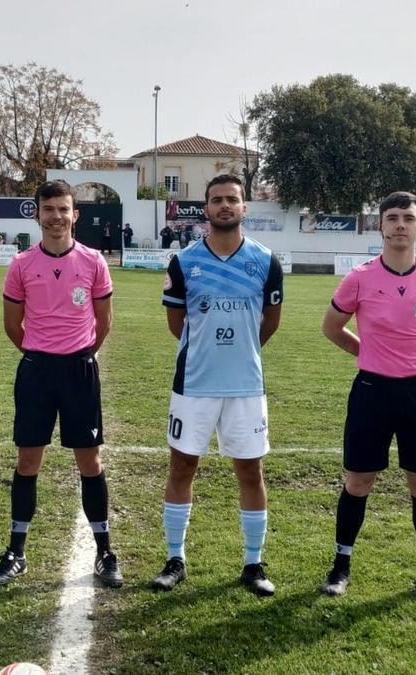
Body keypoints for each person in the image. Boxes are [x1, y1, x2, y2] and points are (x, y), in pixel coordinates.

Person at [320, 191, 416, 607]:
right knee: (358, 481)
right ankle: (341, 566)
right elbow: (331, 328)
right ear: (380, 226)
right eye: (393, 217)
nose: (401, 224)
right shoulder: (360, 278)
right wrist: (365, 354)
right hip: (371, 391)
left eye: (409, 217)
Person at [150, 175, 283, 597]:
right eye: (216, 200)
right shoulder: (184, 262)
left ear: (245, 208)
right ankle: (175, 558)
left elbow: (271, 322)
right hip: (194, 383)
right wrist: (208, 350)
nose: (224, 206)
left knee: (250, 470)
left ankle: (253, 563)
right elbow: (176, 324)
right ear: (205, 209)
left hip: (246, 384)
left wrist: (241, 351)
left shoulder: (265, 261)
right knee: (182, 467)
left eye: (232, 199)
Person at [0, 180, 121, 588]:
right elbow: (13, 326)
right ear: (37, 214)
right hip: (36, 372)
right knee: (29, 461)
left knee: (90, 462)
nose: (56, 216)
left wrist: (79, 353)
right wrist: (40, 351)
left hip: (79, 371)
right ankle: (16, 551)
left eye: (64, 209)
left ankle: (104, 552)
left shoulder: (94, 261)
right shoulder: (22, 264)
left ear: (74, 214)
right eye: (49, 209)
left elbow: (104, 323)